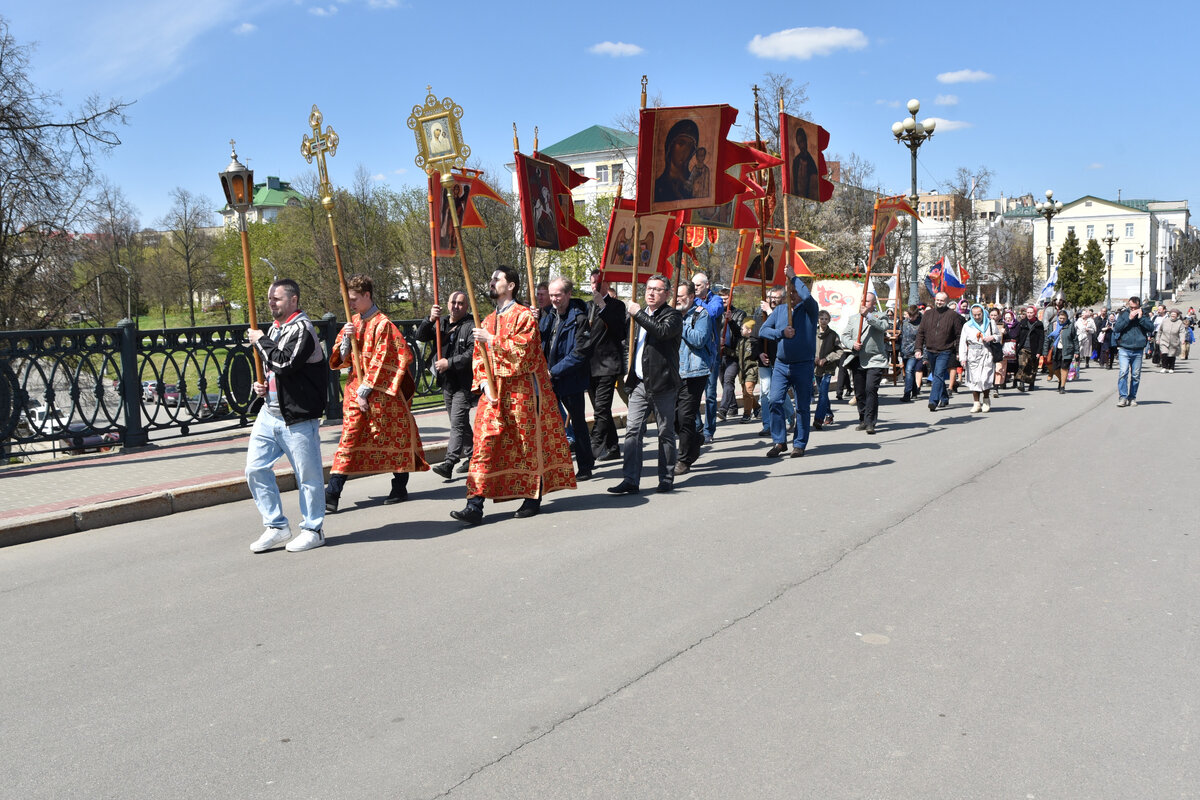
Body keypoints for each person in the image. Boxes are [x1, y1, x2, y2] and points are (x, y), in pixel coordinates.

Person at [450, 267, 575, 525]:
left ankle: (533, 496)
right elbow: (478, 357)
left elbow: (526, 352)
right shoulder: (486, 320)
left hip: (521, 391)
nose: (492, 281)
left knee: (524, 443)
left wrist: (492, 340)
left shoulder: (524, 316)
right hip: (493, 393)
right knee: (483, 443)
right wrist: (484, 381)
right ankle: (474, 503)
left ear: (512, 285)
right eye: (491, 277)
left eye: (497, 278)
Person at [325, 274, 428, 513]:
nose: (350, 303)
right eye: (349, 299)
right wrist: (344, 345)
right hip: (354, 392)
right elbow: (340, 359)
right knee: (348, 439)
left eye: (354, 299)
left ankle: (400, 485)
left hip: (381, 394)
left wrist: (367, 387)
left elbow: (390, 359)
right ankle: (332, 493)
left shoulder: (384, 324)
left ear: (367, 295)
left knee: (395, 436)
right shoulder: (353, 323)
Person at [245, 279, 330, 553]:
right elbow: (273, 369)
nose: (271, 303)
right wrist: (262, 385)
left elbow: (284, 363)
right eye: (270, 298)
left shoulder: (303, 329)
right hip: (269, 414)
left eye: (277, 299)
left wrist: (260, 341)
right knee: (255, 469)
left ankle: (313, 529)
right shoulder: (275, 328)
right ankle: (276, 525)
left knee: (308, 476)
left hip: (298, 417)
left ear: (293, 300)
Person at [608, 274, 682, 494]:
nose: (651, 293)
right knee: (632, 431)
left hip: (663, 383)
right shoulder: (637, 317)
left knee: (665, 433)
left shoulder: (673, 316)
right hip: (639, 383)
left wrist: (638, 313)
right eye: (649, 288)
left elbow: (661, 332)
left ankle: (666, 477)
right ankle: (630, 479)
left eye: (657, 289)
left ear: (667, 294)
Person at [757, 265, 819, 457]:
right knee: (774, 400)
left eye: (795, 291)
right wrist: (780, 333)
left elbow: (807, 296)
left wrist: (793, 277)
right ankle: (779, 441)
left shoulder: (810, 309)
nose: (793, 295)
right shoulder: (781, 310)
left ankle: (799, 443)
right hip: (782, 365)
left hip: (803, 365)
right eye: (789, 292)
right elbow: (763, 331)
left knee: (802, 406)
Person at [416, 290, 475, 480]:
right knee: (459, 422)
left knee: (457, 424)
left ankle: (449, 462)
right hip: (447, 382)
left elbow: (472, 353)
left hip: (464, 383)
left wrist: (450, 362)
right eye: (453, 302)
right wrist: (429, 319)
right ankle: (474, 456)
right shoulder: (440, 323)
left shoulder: (471, 326)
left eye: (460, 303)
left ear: (466, 307)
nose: (456, 306)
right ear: (447, 304)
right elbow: (421, 336)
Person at [540, 277, 595, 480]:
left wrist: (554, 371)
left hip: (570, 379)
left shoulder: (579, 318)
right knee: (549, 424)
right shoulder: (548, 317)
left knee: (578, 424)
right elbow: (540, 342)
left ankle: (586, 465)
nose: (554, 299)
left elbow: (580, 353)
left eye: (558, 295)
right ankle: (555, 467)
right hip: (548, 379)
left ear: (568, 294)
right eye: (551, 295)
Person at [583, 269, 626, 461]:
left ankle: (593, 449)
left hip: (608, 365)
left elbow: (620, 331)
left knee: (601, 408)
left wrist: (603, 306)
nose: (595, 286)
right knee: (602, 409)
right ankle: (613, 446)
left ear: (607, 284)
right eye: (592, 283)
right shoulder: (587, 306)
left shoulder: (616, 305)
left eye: (598, 283)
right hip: (590, 366)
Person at [673, 280, 714, 476]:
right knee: (673, 417)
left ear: (690, 297)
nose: (677, 300)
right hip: (673, 373)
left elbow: (699, 340)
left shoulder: (701, 314)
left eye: (681, 297)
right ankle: (695, 440)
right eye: (676, 297)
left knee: (686, 416)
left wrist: (680, 324)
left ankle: (684, 459)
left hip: (695, 373)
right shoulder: (671, 315)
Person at [752, 287, 795, 434]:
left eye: (776, 298)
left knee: (778, 392)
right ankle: (767, 424)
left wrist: (772, 313)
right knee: (765, 392)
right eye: (771, 297)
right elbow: (755, 336)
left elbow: (783, 331)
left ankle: (790, 414)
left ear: (783, 299)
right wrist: (759, 354)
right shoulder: (760, 315)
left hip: (780, 359)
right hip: (765, 359)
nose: (773, 300)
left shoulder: (787, 313)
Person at [913, 291, 964, 411]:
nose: (939, 302)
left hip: (945, 350)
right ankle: (944, 397)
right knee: (938, 375)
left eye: (942, 300)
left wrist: (958, 352)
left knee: (938, 375)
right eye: (937, 300)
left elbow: (959, 335)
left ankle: (933, 400)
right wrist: (918, 348)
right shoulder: (928, 314)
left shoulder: (953, 315)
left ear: (946, 301)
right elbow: (921, 333)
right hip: (930, 350)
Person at [849, 293, 889, 434]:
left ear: (873, 303)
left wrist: (868, 316)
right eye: (862, 300)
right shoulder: (854, 318)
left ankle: (870, 421)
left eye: (866, 301)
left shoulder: (880, 316)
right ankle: (863, 419)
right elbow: (845, 335)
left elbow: (883, 326)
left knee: (870, 389)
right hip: (858, 358)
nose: (863, 303)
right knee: (859, 392)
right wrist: (852, 344)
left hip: (875, 359)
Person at [692, 272, 724, 443]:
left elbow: (711, 313)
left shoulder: (716, 300)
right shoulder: (689, 299)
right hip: (694, 354)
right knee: (693, 394)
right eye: (693, 285)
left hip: (711, 354)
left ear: (707, 285)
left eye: (698, 285)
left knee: (710, 394)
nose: (695, 288)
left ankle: (709, 430)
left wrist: (695, 301)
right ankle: (697, 425)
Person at [1112, 295, 1156, 407]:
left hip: (1138, 350)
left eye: (1135, 307)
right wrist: (1129, 318)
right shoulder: (1123, 314)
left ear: (1139, 306)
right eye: (1131, 307)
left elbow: (1151, 328)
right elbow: (1117, 328)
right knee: (1123, 373)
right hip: (1124, 348)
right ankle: (1122, 397)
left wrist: (1141, 318)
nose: (1133, 310)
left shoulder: (1144, 315)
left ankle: (1132, 397)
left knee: (1136, 375)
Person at [958, 303, 999, 412]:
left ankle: (986, 400)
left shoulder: (990, 323)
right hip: (973, 354)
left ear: (982, 313)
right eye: (974, 315)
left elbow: (998, 337)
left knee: (985, 378)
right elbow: (963, 342)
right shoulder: (967, 325)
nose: (977, 317)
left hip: (986, 353)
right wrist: (963, 357)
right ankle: (976, 403)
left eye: (979, 314)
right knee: (975, 379)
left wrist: (992, 337)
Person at [812, 309, 845, 428]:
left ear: (829, 320)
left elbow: (839, 350)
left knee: (823, 393)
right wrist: (813, 357)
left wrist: (827, 358)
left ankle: (818, 419)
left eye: (826, 319)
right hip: (816, 367)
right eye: (821, 318)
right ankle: (829, 414)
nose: (824, 321)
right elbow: (808, 347)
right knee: (822, 393)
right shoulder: (812, 332)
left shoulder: (833, 334)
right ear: (818, 320)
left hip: (828, 367)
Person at [654, 118, 699, 203]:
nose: (685, 150)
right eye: (681, 143)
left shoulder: (695, 185)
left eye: (690, 146)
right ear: (670, 146)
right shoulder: (657, 186)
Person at [1044, 309, 1078, 394]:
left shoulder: (1070, 326)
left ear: (1067, 318)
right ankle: (1060, 379)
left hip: (1067, 350)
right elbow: (1047, 339)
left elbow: (1075, 339)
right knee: (1055, 368)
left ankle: (1062, 386)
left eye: (1063, 318)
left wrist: (1076, 351)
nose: (1061, 320)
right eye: (1060, 318)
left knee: (1064, 368)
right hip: (1056, 350)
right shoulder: (1053, 325)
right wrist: (1045, 351)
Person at [1013, 305, 1045, 391]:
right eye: (1028, 312)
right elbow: (1018, 335)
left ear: (1035, 313)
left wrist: (1039, 351)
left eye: (1031, 313)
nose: (1029, 314)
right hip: (1023, 348)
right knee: (1022, 365)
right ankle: (1022, 384)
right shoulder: (1022, 323)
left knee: (1033, 368)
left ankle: (1031, 383)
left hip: (1034, 349)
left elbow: (1041, 339)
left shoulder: (1039, 324)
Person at [737, 320, 760, 423]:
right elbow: (736, 354)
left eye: (743, 328)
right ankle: (757, 407)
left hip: (752, 370)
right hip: (742, 371)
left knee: (748, 391)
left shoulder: (754, 342)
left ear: (750, 330)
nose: (741, 330)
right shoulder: (741, 342)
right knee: (745, 392)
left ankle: (747, 414)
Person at [790, 123, 819, 201]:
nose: (801, 145)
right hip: (798, 198)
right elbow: (794, 184)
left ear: (806, 141)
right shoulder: (796, 161)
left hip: (807, 198)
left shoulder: (811, 162)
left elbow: (814, 185)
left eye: (802, 141)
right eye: (799, 143)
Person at [898, 305, 921, 402]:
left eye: (912, 316)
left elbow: (923, 339)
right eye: (909, 315)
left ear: (917, 314)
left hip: (914, 352)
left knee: (908, 371)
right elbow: (901, 336)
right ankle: (915, 390)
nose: (910, 318)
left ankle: (907, 393)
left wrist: (922, 353)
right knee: (909, 372)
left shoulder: (921, 324)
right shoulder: (904, 323)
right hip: (904, 351)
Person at [1157, 308, 1185, 373]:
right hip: (1164, 340)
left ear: (1177, 315)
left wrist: (1182, 339)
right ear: (1170, 314)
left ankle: (1171, 367)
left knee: (1171, 355)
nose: (1173, 316)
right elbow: (1160, 330)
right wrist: (1158, 339)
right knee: (1164, 354)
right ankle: (1164, 367)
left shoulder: (1179, 322)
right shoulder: (1165, 321)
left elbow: (1182, 332)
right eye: (1172, 314)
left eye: (1174, 315)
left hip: (1174, 341)